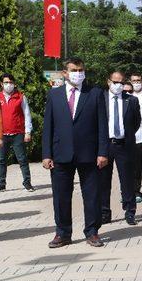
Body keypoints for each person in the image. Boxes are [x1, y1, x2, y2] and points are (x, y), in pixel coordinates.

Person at [42, 57, 109, 248]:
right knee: (61, 196)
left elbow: (102, 126)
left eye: (81, 70)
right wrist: (46, 154)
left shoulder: (95, 93)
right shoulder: (54, 95)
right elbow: (48, 126)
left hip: (89, 154)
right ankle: (62, 233)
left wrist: (103, 151)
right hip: (61, 154)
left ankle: (92, 232)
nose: (78, 73)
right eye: (74, 70)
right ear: (65, 73)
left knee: (92, 195)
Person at [100, 72, 142, 226]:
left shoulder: (131, 100)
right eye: (115, 82)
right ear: (108, 81)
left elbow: (136, 122)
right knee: (103, 180)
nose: (118, 85)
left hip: (124, 145)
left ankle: (130, 211)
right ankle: (104, 212)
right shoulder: (101, 99)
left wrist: (127, 134)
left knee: (127, 180)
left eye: (121, 82)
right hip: (106, 144)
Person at [0, 73, 35, 192]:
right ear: (1, 84)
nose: (8, 85)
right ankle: (1, 184)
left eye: (10, 82)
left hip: (18, 133)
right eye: (6, 82)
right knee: (1, 160)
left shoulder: (21, 97)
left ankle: (27, 182)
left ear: (14, 84)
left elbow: (27, 114)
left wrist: (28, 132)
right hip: (2, 134)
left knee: (22, 159)